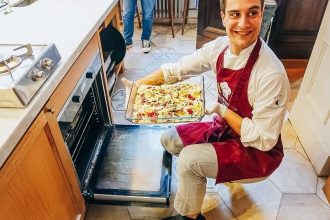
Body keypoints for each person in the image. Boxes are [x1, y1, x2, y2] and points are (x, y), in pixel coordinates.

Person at [122, 0, 290, 219]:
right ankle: (207, 169)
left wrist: (221, 110)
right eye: (234, 14)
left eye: (252, 13)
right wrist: (142, 84)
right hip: (228, 128)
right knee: (170, 140)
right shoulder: (219, 47)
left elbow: (264, 140)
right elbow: (178, 69)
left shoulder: (271, 74)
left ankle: (189, 215)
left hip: (257, 153)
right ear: (223, 17)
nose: (243, 23)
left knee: (190, 161)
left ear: (261, 14)